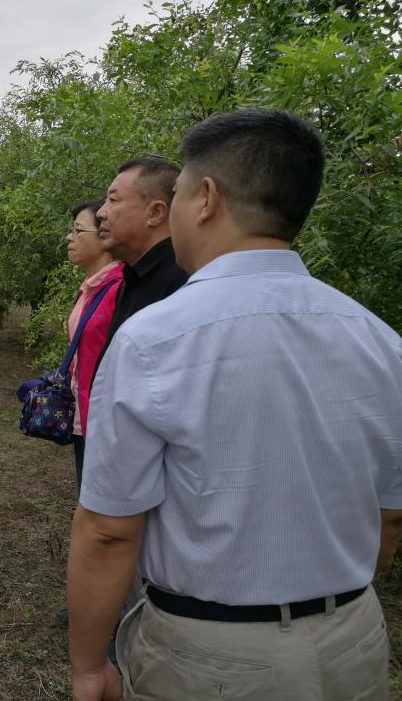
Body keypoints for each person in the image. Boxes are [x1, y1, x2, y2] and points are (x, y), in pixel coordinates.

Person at [67, 109, 402, 701]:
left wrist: (90, 667)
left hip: (211, 655)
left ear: (207, 199)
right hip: (355, 640)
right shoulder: (379, 340)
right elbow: (391, 515)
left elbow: (110, 532)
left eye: (177, 193)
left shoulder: (154, 339)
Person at [93, 157, 188, 366]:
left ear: (155, 213)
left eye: (113, 200)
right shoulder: (132, 276)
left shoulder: (182, 284)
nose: (100, 213)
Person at [64, 199, 123, 489]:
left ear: (104, 236)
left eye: (78, 230)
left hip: (104, 423)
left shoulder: (119, 288)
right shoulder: (90, 287)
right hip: (84, 416)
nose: (70, 237)